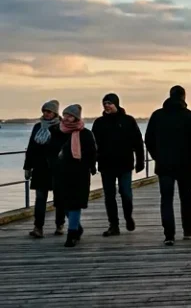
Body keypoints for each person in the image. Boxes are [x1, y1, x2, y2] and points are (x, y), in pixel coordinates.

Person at [145, 86, 191, 245]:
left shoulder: (157, 116)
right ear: (183, 97)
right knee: (186, 197)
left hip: (164, 165)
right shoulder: (190, 116)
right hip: (185, 164)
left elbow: (149, 139)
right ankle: (188, 230)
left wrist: (157, 156)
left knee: (166, 199)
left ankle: (169, 235)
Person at [91, 92, 144, 236]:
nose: (106, 106)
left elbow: (138, 142)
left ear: (116, 104)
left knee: (126, 193)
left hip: (125, 164)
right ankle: (113, 225)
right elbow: (92, 145)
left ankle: (128, 216)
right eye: (104, 104)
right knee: (109, 196)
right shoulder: (99, 123)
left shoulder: (128, 121)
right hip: (106, 165)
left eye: (109, 103)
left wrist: (140, 161)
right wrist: (92, 163)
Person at [53, 105, 97, 248]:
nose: (66, 118)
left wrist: (90, 166)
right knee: (63, 204)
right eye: (65, 115)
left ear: (76, 118)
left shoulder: (85, 134)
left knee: (75, 204)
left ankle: (72, 234)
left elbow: (92, 152)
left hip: (79, 174)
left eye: (70, 116)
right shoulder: (57, 132)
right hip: (61, 173)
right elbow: (50, 150)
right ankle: (77, 226)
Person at [23, 100, 66, 238]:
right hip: (40, 167)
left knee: (59, 198)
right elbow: (31, 147)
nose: (46, 114)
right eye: (44, 111)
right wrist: (27, 167)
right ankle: (38, 227)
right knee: (40, 198)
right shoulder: (38, 127)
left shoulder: (62, 127)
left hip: (57, 167)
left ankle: (60, 224)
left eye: (49, 111)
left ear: (55, 113)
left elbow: (66, 146)